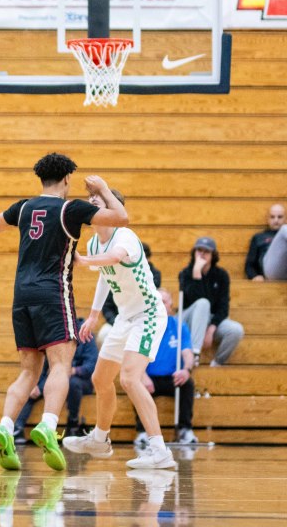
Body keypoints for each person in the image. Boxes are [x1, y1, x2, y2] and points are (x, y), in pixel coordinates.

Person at [0, 153, 128, 472]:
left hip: (21, 295)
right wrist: (103, 189)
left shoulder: (23, 207)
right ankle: (48, 425)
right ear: (66, 180)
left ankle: (5, 427)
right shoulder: (70, 208)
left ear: (42, 179)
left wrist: (14, 221)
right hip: (53, 293)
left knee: (28, 372)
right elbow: (121, 218)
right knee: (60, 363)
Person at [63, 189, 175, 470]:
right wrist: (93, 316)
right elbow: (105, 276)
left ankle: (159, 450)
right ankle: (100, 440)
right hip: (125, 317)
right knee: (101, 379)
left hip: (148, 314)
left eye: (97, 203)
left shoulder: (124, 236)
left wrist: (83, 261)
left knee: (129, 378)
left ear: (113, 210)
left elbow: (115, 258)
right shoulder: (94, 244)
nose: (91, 207)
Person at [13, 318, 98, 441]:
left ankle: (73, 423)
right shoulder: (55, 335)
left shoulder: (85, 333)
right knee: (32, 390)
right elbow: (43, 365)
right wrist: (35, 384)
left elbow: (92, 364)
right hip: (56, 377)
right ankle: (17, 428)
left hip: (80, 379)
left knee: (72, 383)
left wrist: (74, 371)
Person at [138, 289, 197, 445]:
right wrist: (142, 376)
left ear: (171, 305)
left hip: (173, 378)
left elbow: (187, 353)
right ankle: (143, 433)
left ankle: (185, 430)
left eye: (164, 301)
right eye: (157, 301)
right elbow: (136, 356)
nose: (161, 305)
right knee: (136, 385)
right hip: (150, 378)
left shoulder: (179, 326)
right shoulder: (145, 327)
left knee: (188, 384)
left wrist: (186, 370)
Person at [179, 237, 244, 365]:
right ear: (194, 252)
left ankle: (217, 363)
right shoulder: (185, 274)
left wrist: (211, 329)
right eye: (199, 250)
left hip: (210, 320)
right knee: (203, 303)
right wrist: (197, 273)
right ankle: (195, 353)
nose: (202, 254)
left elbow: (223, 306)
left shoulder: (221, 275)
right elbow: (192, 300)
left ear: (213, 255)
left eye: (206, 251)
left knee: (236, 330)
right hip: (188, 318)